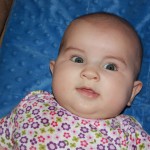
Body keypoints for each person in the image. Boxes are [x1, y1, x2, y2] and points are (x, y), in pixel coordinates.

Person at [0, 12, 150, 150]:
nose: (90, 73)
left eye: (110, 66)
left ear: (131, 92)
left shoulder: (132, 135)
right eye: (78, 59)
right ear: (54, 69)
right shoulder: (32, 105)